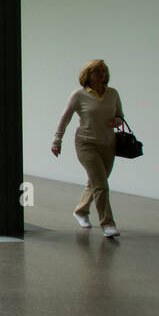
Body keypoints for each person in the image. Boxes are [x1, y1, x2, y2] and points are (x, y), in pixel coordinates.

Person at [51, 59, 124, 237]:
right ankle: (107, 224)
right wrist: (56, 140)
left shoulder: (113, 93)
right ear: (88, 75)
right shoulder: (79, 95)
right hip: (86, 143)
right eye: (97, 71)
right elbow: (65, 118)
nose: (101, 75)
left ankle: (81, 211)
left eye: (103, 71)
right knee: (101, 185)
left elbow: (120, 116)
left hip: (108, 144)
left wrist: (117, 121)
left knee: (96, 182)